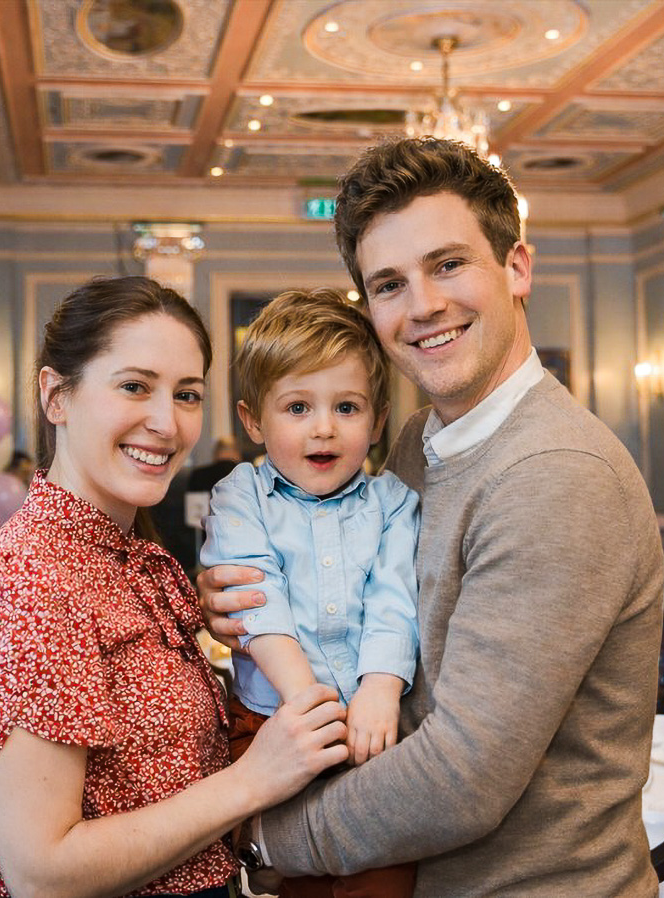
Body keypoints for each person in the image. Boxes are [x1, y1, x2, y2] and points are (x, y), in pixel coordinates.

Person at [201, 138, 664, 896]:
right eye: (389, 283)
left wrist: (258, 838)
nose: (422, 306)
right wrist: (242, 596)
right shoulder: (417, 443)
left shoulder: (557, 476)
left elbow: (461, 777)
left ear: (516, 267)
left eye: (448, 264)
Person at [0, 276, 349, 898]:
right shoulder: (35, 582)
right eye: (135, 386)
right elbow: (43, 874)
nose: (166, 422)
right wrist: (253, 782)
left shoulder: (120, 556)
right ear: (57, 396)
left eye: (186, 394)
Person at [200, 288, 420, 898]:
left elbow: (394, 599)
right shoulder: (239, 495)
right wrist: (306, 703)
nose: (324, 427)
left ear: (376, 422)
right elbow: (255, 596)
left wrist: (380, 688)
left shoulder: (394, 503)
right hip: (272, 717)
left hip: (368, 722)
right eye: (297, 408)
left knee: (384, 870)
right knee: (287, 877)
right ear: (253, 421)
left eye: (347, 407)